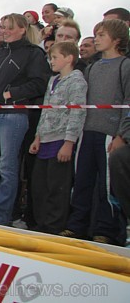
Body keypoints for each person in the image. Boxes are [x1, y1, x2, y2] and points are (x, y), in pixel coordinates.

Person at [0, 13, 50, 226]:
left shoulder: (33, 53)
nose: (3, 30)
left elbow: (39, 83)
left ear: (21, 29)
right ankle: (6, 208)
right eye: (1, 26)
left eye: (8, 27)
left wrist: (12, 94)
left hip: (14, 116)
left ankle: (2, 216)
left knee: (7, 167)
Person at [62, 19, 130, 245]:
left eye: (102, 35)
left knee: (107, 186)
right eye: (96, 35)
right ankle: (77, 225)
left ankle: (107, 230)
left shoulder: (125, 66)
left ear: (117, 40)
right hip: (86, 133)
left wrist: (122, 135)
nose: (97, 39)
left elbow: (128, 103)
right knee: (82, 181)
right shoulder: (91, 67)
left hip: (110, 134)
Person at [28, 42, 87, 234]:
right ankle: (41, 224)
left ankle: (54, 227)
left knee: (57, 188)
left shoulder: (77, 81)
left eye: (55, 57)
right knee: (39, 187)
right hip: (45, 139)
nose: (51, 61)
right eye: (50, 57)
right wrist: (37, 136)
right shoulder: (52, 81)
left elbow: (77, 113)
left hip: (61, 140)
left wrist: (69, 142)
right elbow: (45, 111)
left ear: (69, 58)